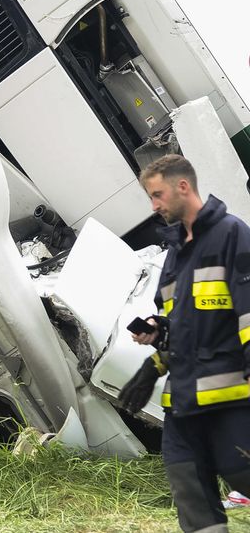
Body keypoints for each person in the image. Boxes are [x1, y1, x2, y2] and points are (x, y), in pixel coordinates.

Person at [118, 154, 250, 532]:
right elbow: (179, 324)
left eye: (157, 195)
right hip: (182, 404)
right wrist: (154, 358)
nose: (154, 206)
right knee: (189, 490)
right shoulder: (175, 253)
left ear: (183, 186)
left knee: (241, 473)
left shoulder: (231, 233)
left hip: (229, 399)